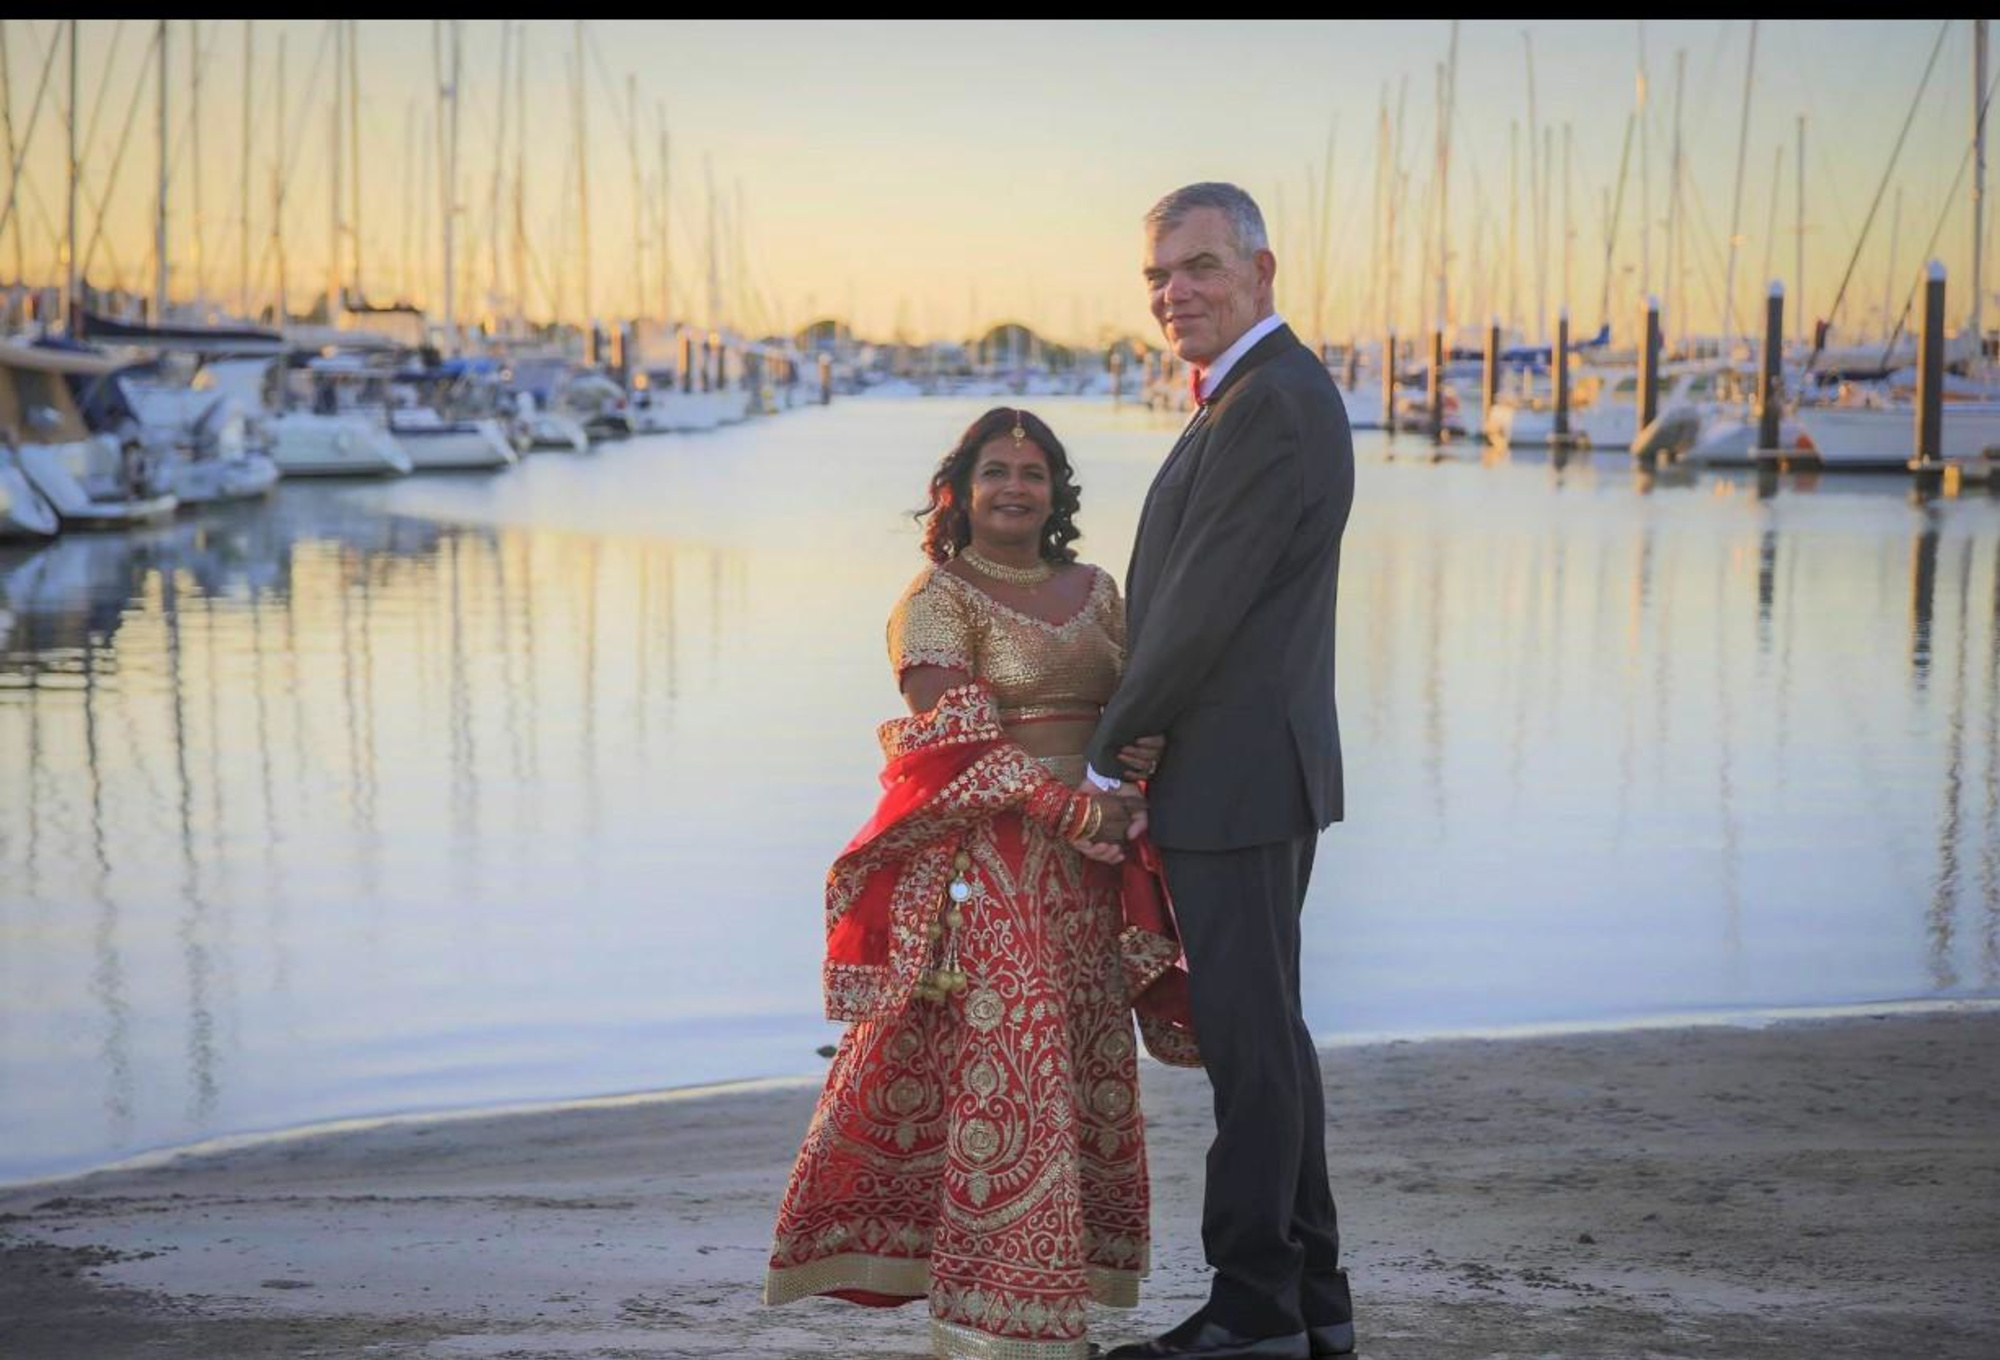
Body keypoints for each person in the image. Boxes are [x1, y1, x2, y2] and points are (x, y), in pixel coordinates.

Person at [764, 406, 1198, 1360]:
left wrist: (1136, 761)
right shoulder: (937, 596)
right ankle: (997, 1326)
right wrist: (1074, 815)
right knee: (1015, 1076)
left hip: (1091, 876)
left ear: (1057, 492)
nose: (1014, 487)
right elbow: (955, 743)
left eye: (1032, 472)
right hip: (989, 867)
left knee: (1082, 1066)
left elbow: (1131, 703)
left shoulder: (1099, 590)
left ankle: (1062, 1299)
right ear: (957, 493)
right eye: (994, 471)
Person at [1091, 184, 1357, 1360]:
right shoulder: (1254, 395)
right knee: (1267, 1037)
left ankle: (1253, 1302)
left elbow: (1198, 608)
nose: (1172, 293)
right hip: (1247, 769)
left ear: (1261, 268)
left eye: (1196, 267)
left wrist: (1112, 746)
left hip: (1237, 776)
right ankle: (1311, 1295)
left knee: (1249, 1048)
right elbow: (1200, 597)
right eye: (1156, 276)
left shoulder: (1269, 401)